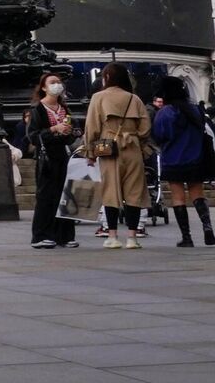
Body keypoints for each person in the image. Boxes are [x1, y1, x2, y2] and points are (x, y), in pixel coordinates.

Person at [85, 62, 153, 249]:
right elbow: (145, 127)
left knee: (110, 191)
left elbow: (92, 127)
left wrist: (90, 152)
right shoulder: (134, 99)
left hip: (108, 147)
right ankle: (132, 237)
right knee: (134, 191)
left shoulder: (98, 97)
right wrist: (136, 138)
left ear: (106, 77)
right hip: (132, 147)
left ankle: (112, 235)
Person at [153, 75, 214, 247]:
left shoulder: (164, 113)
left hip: (173, 159)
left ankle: (187, 237)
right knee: (198, 193)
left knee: (178, 197)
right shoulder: (194, 110)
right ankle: (207, 228)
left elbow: (159, 136)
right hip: (195, 157)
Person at [26, 72, 79, 249]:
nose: (57, 85)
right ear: (43, 87)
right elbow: (33, 136)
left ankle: (65, 235)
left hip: (64, 156)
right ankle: (41, 235)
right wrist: (54, 129)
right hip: (47, 158)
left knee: (66, 195)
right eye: (52, 82)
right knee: (46, 196)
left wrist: (70, 132)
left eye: (59, 82)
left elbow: (74, 132)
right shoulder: (37, 110)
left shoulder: (65, 109)